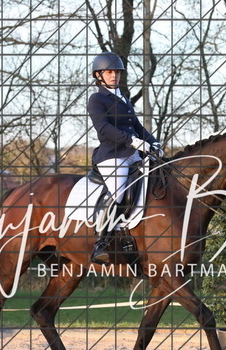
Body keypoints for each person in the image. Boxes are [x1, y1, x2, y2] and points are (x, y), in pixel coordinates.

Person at [87, 51, 164, 264]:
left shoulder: (123, 97)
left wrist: (154, 142)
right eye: (109, 72)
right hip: (112, 156)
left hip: (133, 154)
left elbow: (137, 127)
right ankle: (101, 243)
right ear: (98, 75)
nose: (114, 76)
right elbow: (103, 129)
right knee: (119, 192)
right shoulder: (97, 99)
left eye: (117, 72)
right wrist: (132, 141)